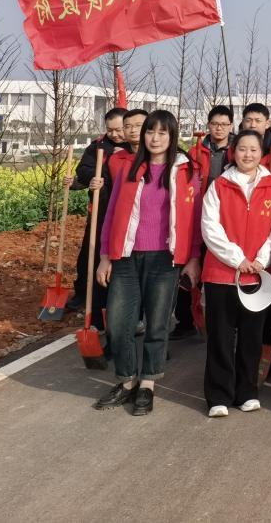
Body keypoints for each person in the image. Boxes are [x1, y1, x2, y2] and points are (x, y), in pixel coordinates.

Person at [93, 110, 201, 416]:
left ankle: (148, 384)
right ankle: (127, 380)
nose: (155, 138)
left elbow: (194, 219)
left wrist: (193, 259)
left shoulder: (186, 171)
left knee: (157, 324)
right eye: (150, 132)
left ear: (172, 136)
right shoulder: (129, 168)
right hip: (126, 257)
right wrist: (105, 256)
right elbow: (111, 214)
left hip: (165, 259)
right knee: (118, 324)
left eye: (162, 133)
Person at [199, 130, 271, 418]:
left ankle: (247, 392)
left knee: (251, 337)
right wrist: (237, 259)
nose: (247, 155)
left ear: (262, 153)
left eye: (253, 150)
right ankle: (218, 395)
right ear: (233, 152)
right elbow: (210, 227)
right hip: (222, 273)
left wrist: (261, 259)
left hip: (257, 275)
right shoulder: (219, 185)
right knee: (220, 337)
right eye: (242, 149)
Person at [174, 104, 236, 340]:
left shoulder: (237, 151)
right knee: (188, 271)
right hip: (197, 216)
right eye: (215, 124)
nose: (219, 128)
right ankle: (186, 322)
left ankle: (226, 323)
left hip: (226, 220)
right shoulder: (195, 151)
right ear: (208, 125)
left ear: (231, 126)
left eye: (224, 124)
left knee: (222, 273)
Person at [67, 106, 126, 317]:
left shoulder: (136, 147)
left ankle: (113, 298)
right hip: (100, 210)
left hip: (125, 212)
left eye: (119, 129)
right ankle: (83, 294)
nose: (115, 134)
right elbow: (83, 170)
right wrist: (93, 177)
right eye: (110, 130)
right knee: (89, 254)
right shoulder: (98, 145)